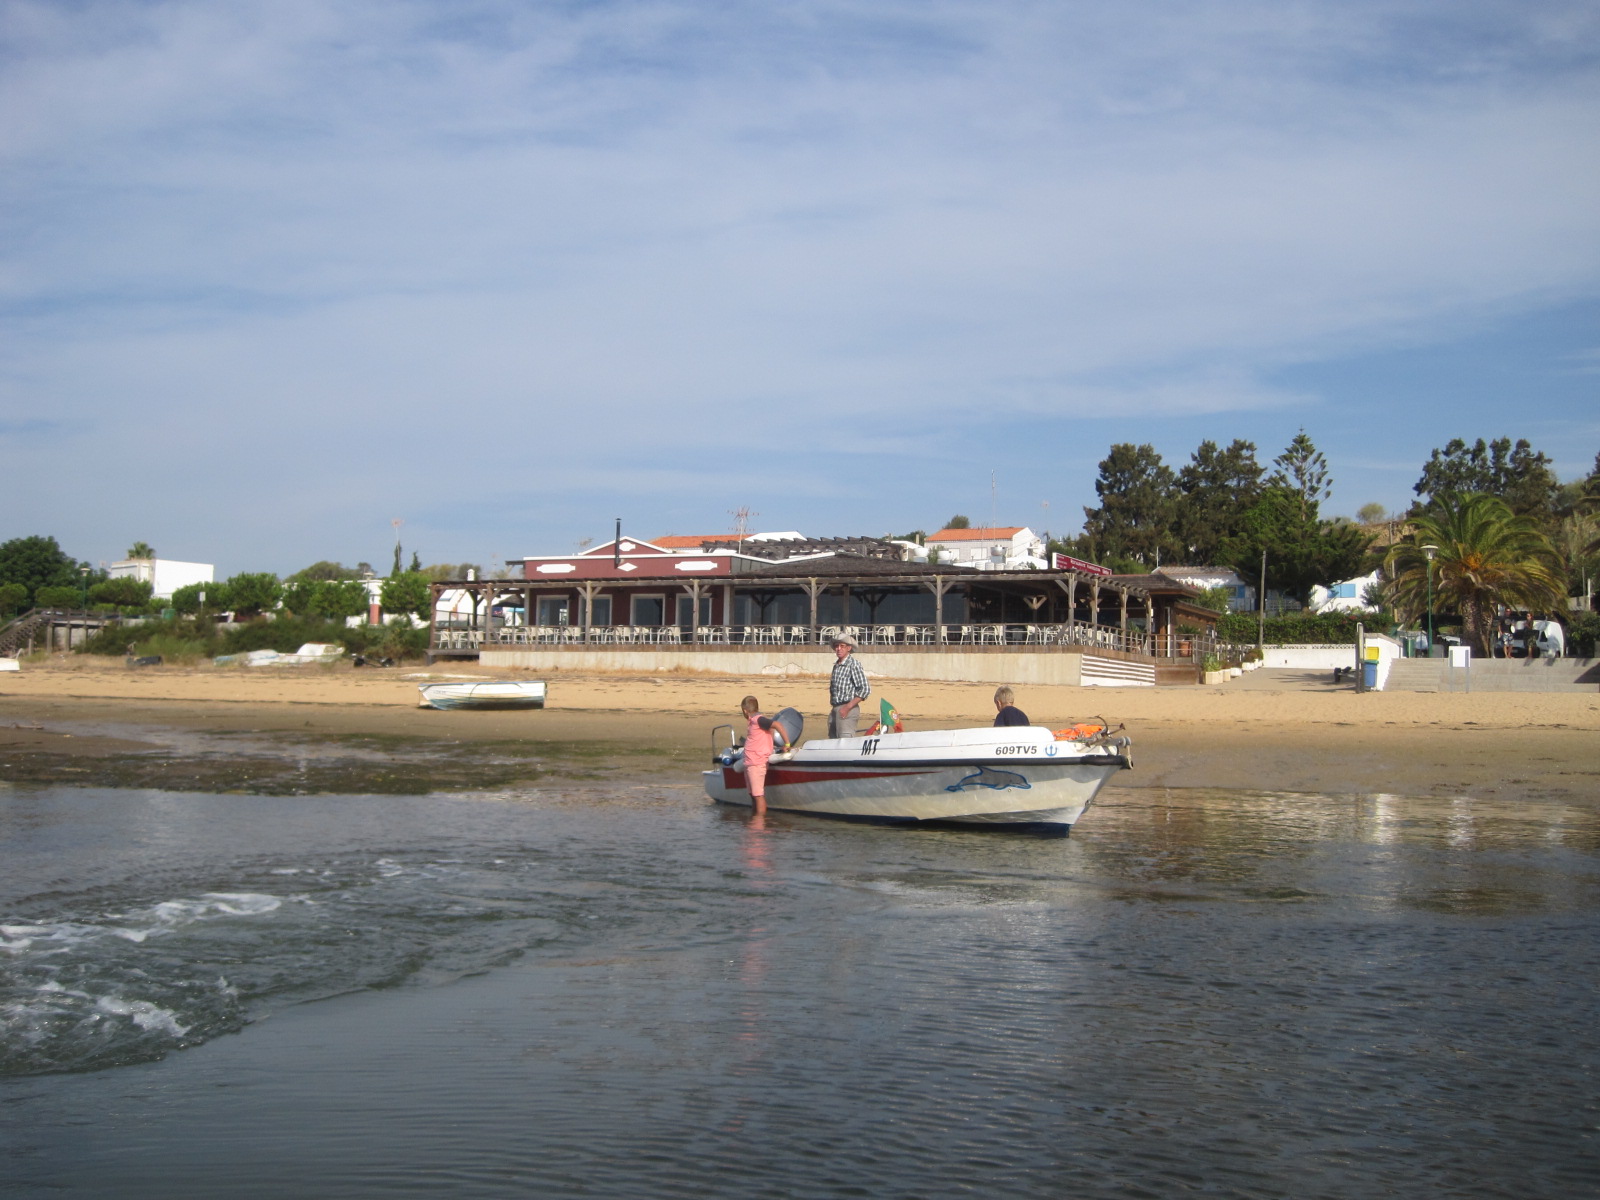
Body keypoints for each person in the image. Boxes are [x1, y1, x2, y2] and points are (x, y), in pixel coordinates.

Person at [740, 695, 779, 815]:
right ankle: (754, 815)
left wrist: (787, 743)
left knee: (758, 795)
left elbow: (777, 725)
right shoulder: (752, 722)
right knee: (752, 794)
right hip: (750, 761)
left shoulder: (759, 720)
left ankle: (759, 822)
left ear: (745, 711)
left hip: (757, 762)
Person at [827, 634, 870, 738]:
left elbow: (865, 689)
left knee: (845, 740)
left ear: (849, 648)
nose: (839, 649)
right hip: (835, 708)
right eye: (837, 646)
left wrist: (847, 708)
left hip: (848, 708)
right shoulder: (836, 666)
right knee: (832, 741)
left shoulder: (853, 664)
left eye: (842, 646)